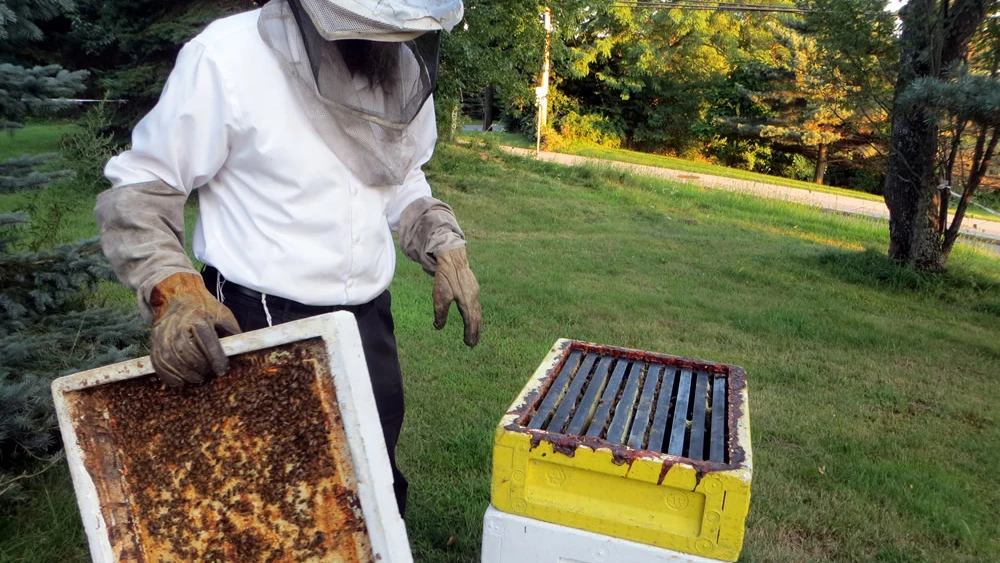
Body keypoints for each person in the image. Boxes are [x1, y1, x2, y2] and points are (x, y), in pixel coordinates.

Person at [93, 0, 481, 517]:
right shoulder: (225, 55)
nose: (387, 39)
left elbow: (402, 177)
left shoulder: (397, 62)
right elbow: (143, 189)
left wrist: (444, 242)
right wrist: (175, 291)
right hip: (259, 319)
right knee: (273, 503)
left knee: (373, 489)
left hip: (368, 322)